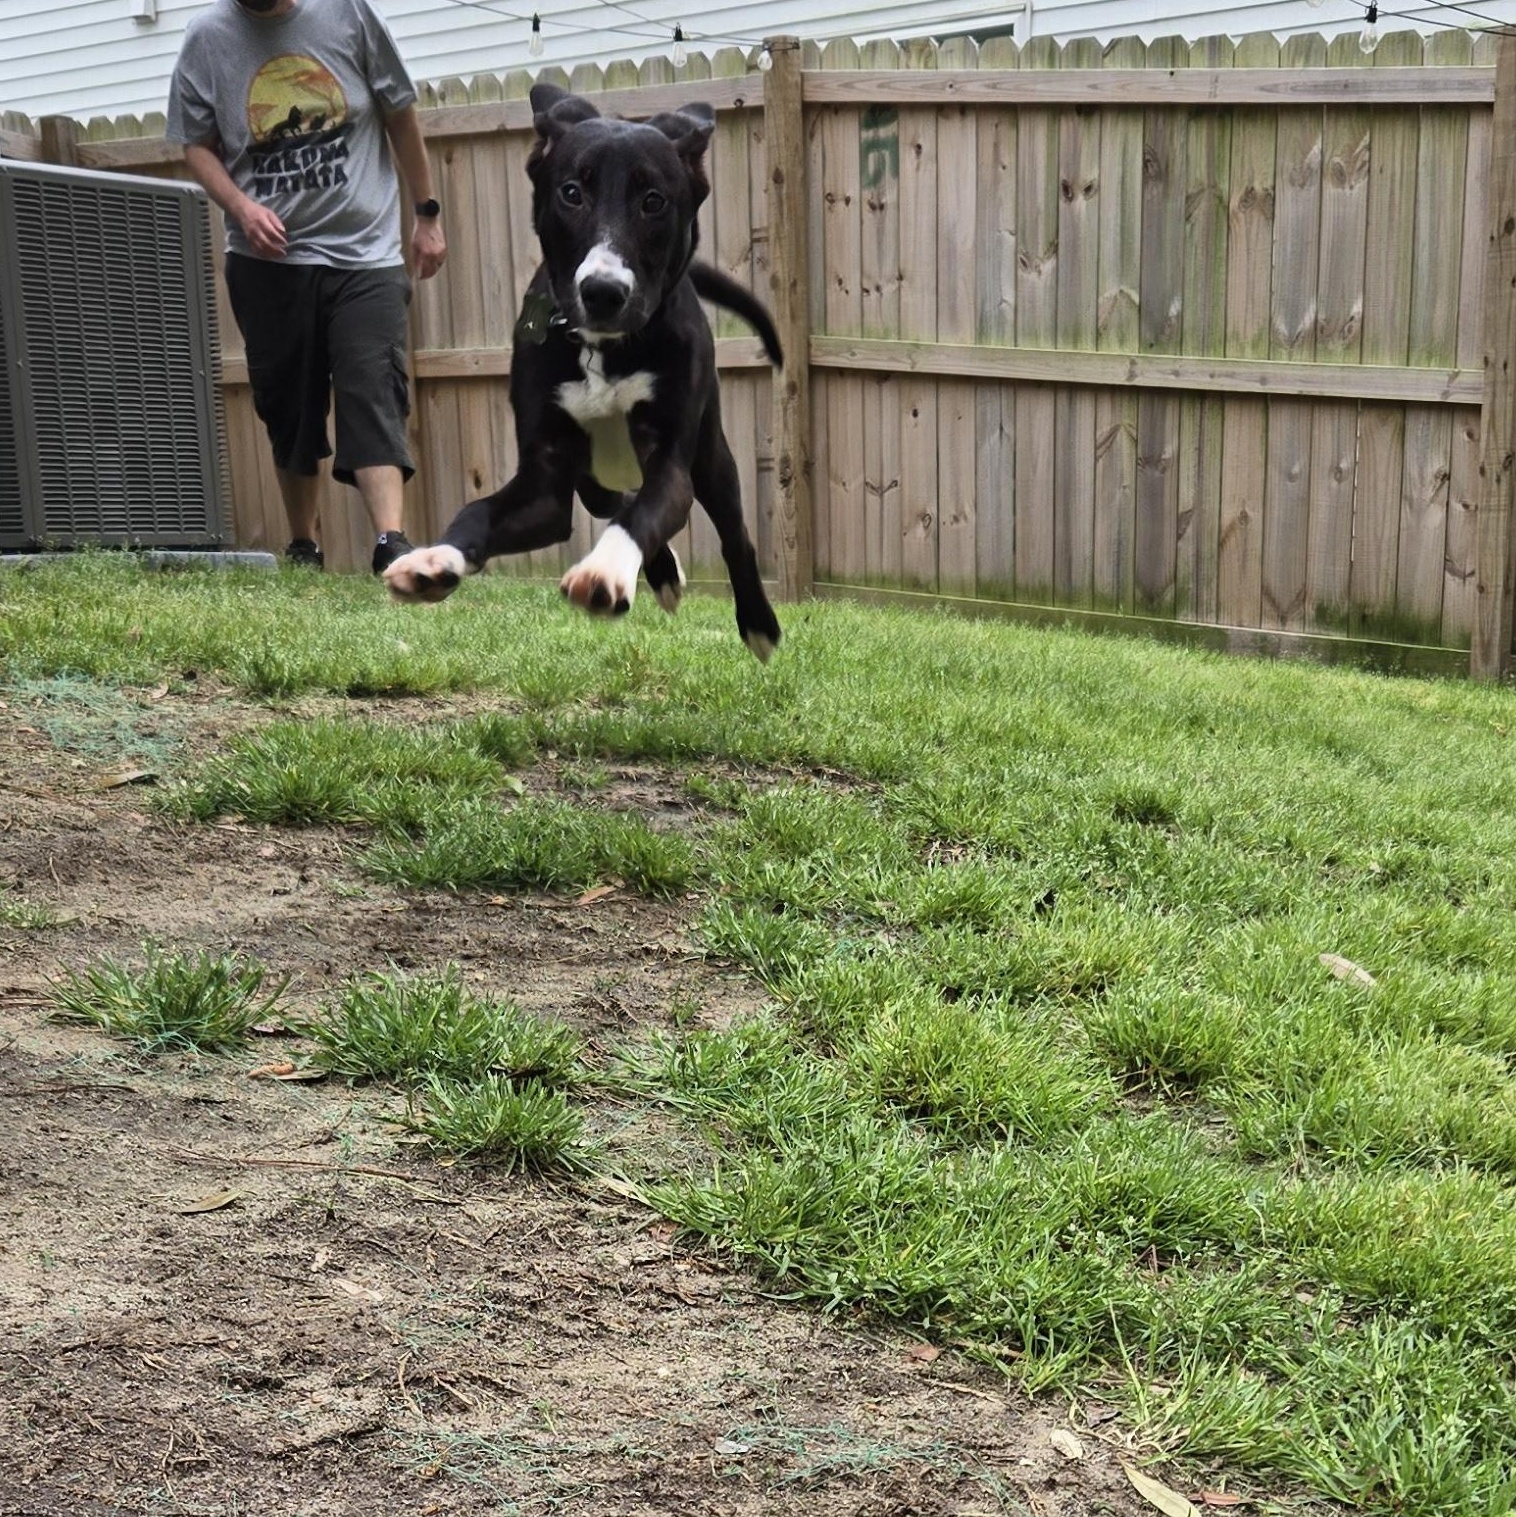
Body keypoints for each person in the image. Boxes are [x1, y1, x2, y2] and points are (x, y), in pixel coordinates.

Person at [166, 0, 446, 573]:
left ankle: (391, 543)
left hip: (364, 254)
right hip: (266, 264)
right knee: (288, 405)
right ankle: (304, 546)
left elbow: (400, 112)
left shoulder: (349, 13)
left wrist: (427, 214)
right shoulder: (206, 37)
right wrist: (241, 208)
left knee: (374, 385)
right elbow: (196, 144)